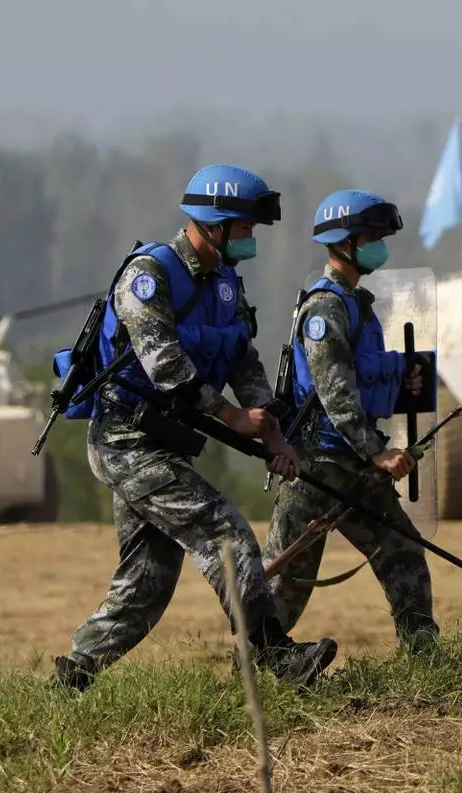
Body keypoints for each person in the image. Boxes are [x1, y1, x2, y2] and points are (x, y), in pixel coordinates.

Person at [53, 164, 338, 692]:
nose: (251, 239)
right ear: (214, 224)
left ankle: (73, 677)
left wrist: (271, 430)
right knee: (224, 530)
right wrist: (232, 417)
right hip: (126, 440)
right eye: (245, 228)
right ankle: (275, 654)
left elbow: (242, 358)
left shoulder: (225, 282)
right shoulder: (149, 276)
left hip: (167, 442)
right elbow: (166, 367)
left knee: (147, 580)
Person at [261, 189, 439, 654]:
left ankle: (424, 656)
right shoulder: (325, 308)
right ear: (343, 243)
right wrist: (376, 453)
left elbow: (363, 378)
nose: (379, 246)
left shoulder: (357, 304)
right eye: (371, 238)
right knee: (286, 578)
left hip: (352, 462)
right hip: (317, 465)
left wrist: (404, 377)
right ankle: (257, 667)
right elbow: (333, 389)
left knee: (403, 552)